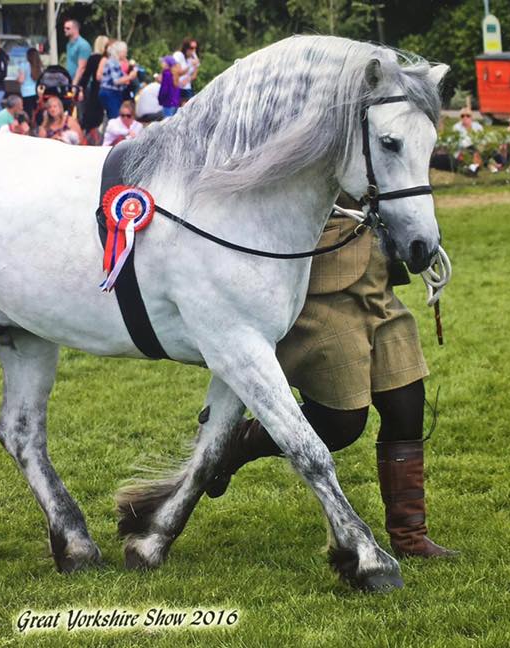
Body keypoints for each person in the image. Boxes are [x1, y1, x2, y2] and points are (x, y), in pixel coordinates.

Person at [204, 204, 456, 560]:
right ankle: (239, 444)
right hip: (320, 290)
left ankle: (410, 536)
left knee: (407, 405)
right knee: (342, 424)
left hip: (376, 283)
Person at [78, 35, 108, 143]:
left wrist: (81, 88)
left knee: (93, 115)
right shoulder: (107, 59)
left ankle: (90, 137)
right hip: (106, 89)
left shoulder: (92, 58)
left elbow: (86, 76)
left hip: (95, 90)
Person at [98, 40, 138, 120]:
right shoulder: (113, 62)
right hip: (110, 93)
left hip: (111, 92)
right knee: (115, 119)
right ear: (120, 52)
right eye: (125, 52)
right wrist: (130, 76)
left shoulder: (114, 62)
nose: (126, 54)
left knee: (114, 118)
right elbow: (116, 81)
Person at [452, 108, 484, 175]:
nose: (465, 118)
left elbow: (482, 140)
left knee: (476, 150)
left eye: (468, 116)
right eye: (462, 116)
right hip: (462, 149)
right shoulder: (456, 127)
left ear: (471, 117)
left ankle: (473, 167)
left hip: (476, 149)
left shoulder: (478, 127)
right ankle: (472, 168)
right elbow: (457, 142)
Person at [63, 19, 91, 89]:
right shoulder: (69, 44)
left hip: (80, 84)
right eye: (64, 28)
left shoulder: (83, 45)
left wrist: (74, 85)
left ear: (75, 29)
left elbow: (82, 67)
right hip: (70, 81)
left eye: (68, 28)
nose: (65, 30)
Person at [172, 37, 200, 105]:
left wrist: (189, 79)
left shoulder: (194, 58)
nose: (193, 50)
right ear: (186, 48)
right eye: (191, 48)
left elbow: (194, 76)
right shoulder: (178, 55)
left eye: (195, 48)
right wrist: (190, 65)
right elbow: (178, 72)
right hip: (176, 86)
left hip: (187, 88)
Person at [18, 47, 43, 119]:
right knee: (38, 112)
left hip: (26, 93)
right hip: (36, 92)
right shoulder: (39, 67)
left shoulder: (24, 65)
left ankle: (28, 127)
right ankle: (39, 127)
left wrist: (17, 79)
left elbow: (21, 80)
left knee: (27, 113)